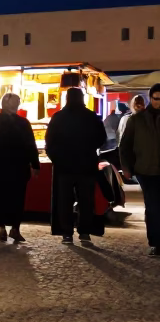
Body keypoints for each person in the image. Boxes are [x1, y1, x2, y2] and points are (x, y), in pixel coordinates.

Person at [44, 87, 107, 246]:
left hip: (64, 167)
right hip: (86, 165)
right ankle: (84, 232)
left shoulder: (58, 117)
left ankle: (66, 233)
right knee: (86, 200)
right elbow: (101, 139)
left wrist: (56, 159)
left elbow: (49, 141)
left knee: (64, 200)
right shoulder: (91, 117)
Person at [0, 93, 39, 243]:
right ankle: (15, 228)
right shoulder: (23, 123)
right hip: (19, 167)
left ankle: (2, 228)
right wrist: (35, 164)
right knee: (17, 198)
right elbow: (30, 146)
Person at [118, 83, 160, 255]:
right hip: (146, 170)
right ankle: (157, 242)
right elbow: (125, 145)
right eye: (157, 99)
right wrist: (126, 167)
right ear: (150, 98)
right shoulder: (137, 119)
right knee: (153, 206)